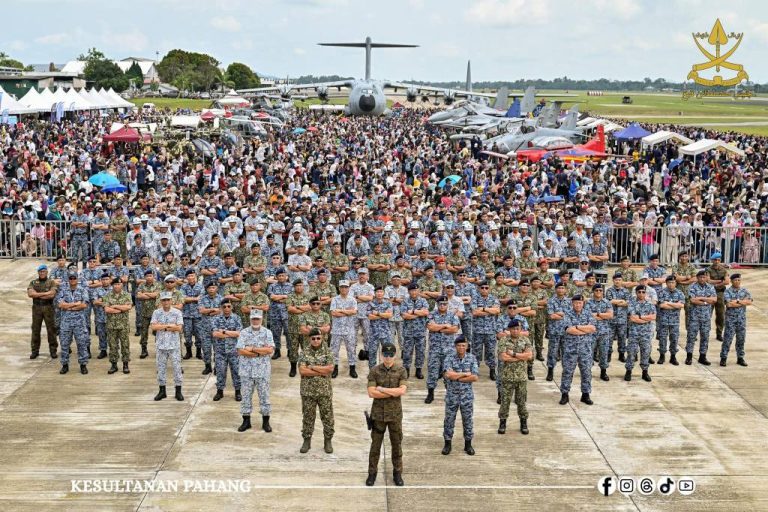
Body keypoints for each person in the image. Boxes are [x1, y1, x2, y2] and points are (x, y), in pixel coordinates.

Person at [366, 342, 408, 487]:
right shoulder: (374, 371)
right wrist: (393, 393)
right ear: (381, 355)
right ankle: (372, 473)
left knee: (397, 446)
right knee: (375, 447)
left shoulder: (401, 370)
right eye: (385, 354)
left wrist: (382, 389)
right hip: (378, 415)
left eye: (391, 354)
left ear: (395, 355)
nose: (388, 357)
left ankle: (397, 473)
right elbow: (371, 393)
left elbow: (402, 391)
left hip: (395, 415)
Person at [236, 309, 275, 433]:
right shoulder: (244, 332)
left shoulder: (267, 332)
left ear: (261, 319)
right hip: (246, 371)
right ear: (250, 319)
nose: (255, 321)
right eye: (253, 318)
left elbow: (270, 350)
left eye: (257, 318)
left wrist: (252, 349)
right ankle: (246, 421)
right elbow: (240, 350)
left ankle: (266, 421)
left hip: (262, 371)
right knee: (246, 397)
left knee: (264, 397)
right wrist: (260, 351)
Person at [441, 335, 479, 456]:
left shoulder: (472, 358)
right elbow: (448, 375)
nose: (461, 348)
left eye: (463, 345)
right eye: (459, 345)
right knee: (449, 420)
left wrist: (456, 376)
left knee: (468, 420)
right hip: (452, 396)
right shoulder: (449, 358)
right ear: (455, 346)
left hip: (466, 396)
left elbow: (474, 377)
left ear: (467, 346)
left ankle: (468, 444)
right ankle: (447, 443)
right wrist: (465, 374)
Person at [298, 328, 335, 453]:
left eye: (318, 338)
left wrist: (312, 367)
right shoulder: (304, 352)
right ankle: (307, 440)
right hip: (308, 392)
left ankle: (328, 440)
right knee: (308, 416)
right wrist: (321, 370)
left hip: (324, 391)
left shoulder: (328, 351)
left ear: (322, 338)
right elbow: (302, 371)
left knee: (327, 416)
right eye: (313, 338)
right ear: (309, 339)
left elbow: (330, 369)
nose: (316, 340)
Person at [497, 319, 533, 435]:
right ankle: (502, 423)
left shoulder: (525, 340)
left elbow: (529, 356)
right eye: (513, 329)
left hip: (521, 378)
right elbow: (503, 357)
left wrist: (513, 354)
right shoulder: (503, 340)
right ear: (509, 329)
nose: (515, 331)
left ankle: (523, 423)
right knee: (505, 402)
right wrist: (521, 357)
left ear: (521, 329)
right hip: (507, 377)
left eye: (518, 329)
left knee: (521, 402)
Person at [559, 295, 596, 405]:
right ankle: (565, 394)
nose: (578, 305)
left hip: (585, 349)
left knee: (586, 372)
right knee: (567, 372)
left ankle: (585, 395)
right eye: (576, 303)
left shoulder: (588, 314)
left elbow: (592, 328)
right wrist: (585, 329)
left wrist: (577, 327)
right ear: (572, 303)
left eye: (580, 303)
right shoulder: (567, 314)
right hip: (571, 350)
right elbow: (569, 330)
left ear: (583, 303)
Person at [425, 296, 460, 404]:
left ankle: (450, 394)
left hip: (449, 350)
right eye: (440, 304)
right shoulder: (431, 314)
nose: (442, 306)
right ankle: (430, 394)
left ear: (447, 305)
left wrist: (438, 328)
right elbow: (431, 327)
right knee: (432, 371)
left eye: (445, 304)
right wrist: (445, 326)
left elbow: (454, 329)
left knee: (448, 372)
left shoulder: (452, 315)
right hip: (434, 349)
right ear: (437, 304)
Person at [150, 292, 185, 401]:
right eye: (164, 300)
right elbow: (153, 327)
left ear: (171, 300)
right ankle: (162, 391)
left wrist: (161, 326)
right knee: (161, 369)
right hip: (161, 345)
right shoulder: (156, 312)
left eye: (168, 300)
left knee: (177, 368)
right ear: (161, 301)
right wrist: (169, 326)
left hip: (174, 345)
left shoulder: (177, 312)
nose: (166, 302)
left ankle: (178, 391)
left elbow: (179, 328)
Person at [58, 272, 91, 375]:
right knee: (64, 344)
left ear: (77, 279)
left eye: (74, 278)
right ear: (68, 279)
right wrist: (75, 304)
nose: (72, 280)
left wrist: (68, 306)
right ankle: (64, 365)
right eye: (70, 278)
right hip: (66, 322)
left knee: (81, 343)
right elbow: (60, 304)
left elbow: (84, 305)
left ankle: (83, 365)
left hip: (79, 322)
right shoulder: (63, 290)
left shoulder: (82, 290)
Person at [212, 298, 243, 401]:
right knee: (220, 372)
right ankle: (219, 391)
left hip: (234, 351)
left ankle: (238, 392)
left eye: (229, 306)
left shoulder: (237, 318)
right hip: (220, 351)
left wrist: (224, 332)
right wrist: (231, 334)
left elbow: (239, 333)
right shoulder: (216, 318)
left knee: (236, 372)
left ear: (232, 307)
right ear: (221, 308)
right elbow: (215, 334)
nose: (226, 308)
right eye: (224, 306)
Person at [471, 280, 501, 380]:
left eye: (486, 288)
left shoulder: (494, 298)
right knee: (476, 352)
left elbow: (497, 311)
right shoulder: (475, 298)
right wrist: (490, 310)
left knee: (491, 351)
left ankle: (492, 371)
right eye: (482, 288)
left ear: (489, 289)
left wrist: (483, 309)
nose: (484, 289)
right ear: (479, 289)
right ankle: (474, 370)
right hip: (478, 330)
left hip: (490, 331)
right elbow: (475, 312)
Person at [686, 270, 717, 365]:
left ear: (706, 278)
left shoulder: (710, 287)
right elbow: (693, 300)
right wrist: (707, 301)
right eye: (700, 277)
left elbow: (714, 300)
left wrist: (701, 298)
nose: (702, 279)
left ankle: (702, 357)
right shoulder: (692, 287)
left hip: (706, 317)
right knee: (691, 337)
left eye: (704, 277)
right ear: (697, 278)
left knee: (705, 337)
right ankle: (689, 357)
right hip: (694, 317)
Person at [102, 278, 133, 375]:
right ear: (112, 285)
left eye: (118, 284)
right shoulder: (107, 295)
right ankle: (114, 365)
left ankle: (125, 364)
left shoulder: (127, 295)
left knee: (125, 345)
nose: (116, 286)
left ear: (122, 285)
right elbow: (107, 309)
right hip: (111, 325)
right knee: (112, 346)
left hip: (123, 325)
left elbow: (128, 307)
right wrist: (121, 309)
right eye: (115, 284)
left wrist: (115, 306)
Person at [27, 264, 58, 359]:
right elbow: (30, 294)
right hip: (37, 308)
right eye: (40, 271)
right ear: (38, 272)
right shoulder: (33, 282)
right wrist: (45, 294)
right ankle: (34, 351)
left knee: (51, 330)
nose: (42, 273)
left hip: (48, 308)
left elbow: (52, 295)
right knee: (35, 330)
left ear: (47, 272)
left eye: (44, 271)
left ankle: (53, 350)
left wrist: (37, 294)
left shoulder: (51, 282)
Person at [399, 283, 430, 378]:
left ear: (418, 291)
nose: (414, 292)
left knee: (420, 352)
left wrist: (413, 312)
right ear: (409, 292)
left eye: (416, 290)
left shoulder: (423, 301)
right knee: (407, 352)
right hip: (408, 332)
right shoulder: (405, 301)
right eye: (412, 290)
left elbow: (426, 312)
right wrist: (418, 313)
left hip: (420, 332)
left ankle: (418, 370)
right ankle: (406, 370)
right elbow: (404, 316)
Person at [626, 285, 656, 382]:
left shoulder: (650, 304)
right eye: (639, 292)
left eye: (643, 292)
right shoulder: (632, 304)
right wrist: (646, 319)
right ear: (636, 293)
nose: (641, 294)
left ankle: (645, 372)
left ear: (645, 293)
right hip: (634, 333)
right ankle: (628, 371)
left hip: (646, 334)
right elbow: (632, 318)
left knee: (646, 353)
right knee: (631, 353)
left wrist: (640, 317)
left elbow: (653, 317)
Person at [329, 280, 359, 379]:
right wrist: (347, 312)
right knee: (334, 350)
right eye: (342, 287)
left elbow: (354, 312)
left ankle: (352, 368)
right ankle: (335, 368)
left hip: (349, 330)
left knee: (351, 349)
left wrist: (341, 311)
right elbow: (333, 313)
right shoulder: (335, 299)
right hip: (336, 330)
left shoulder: (352, 300)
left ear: (349, 288)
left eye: (346, 287)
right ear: (339, 288)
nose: (344, 289)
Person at [721, 274, 752, 367]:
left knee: (741, 339)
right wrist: (742, 302)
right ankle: (723, 358)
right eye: (735, 280)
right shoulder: (727, 291)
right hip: (730, 320)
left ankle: (740, 358)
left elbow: (749, 302)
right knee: (727, 339)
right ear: (731, 281)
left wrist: (737, 301)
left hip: (741, 320)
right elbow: (729, 304)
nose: (737, 282)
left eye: (739, 280)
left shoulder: (744, 290)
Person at [587, 284, 613, 381]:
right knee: (589, 353)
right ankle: (587, 372)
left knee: (604, 352)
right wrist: (603, 315)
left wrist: (597, 314)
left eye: (600, 290)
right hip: (591, 332)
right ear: (593, 291)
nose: (598, 292)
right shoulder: (588, 303)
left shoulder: (607, 302)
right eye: (596, 290)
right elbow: (588, 315)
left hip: (604, 332)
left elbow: (610, 315)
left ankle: (603, 372)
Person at [657, 275, 685, 365]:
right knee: (662, 338)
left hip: (675, 321)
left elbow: (681, 305)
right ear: (666, 283)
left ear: (676, 283)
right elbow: (662, 305)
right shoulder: (661, 292)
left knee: (674, 339)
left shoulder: (680, 293)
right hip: (663, 320)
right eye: (669, 282)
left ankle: (673, 357)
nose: (671, 284)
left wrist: (668, 303)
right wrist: (675, 305)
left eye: (673, 282)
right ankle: (662, 356)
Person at [136, 270, 162, 359]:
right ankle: (144, 350)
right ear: (145, 277)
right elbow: (139, 296)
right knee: (144, 332)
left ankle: (159, 349)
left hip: (156, 313)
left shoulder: (158, 285)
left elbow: (157, 295)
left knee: (158, 332)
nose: (149, 277)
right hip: (144, 313)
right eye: (147, 276)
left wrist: (145, 294)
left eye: (150, 275)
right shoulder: (141, 285)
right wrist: (151, 295)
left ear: (153, 276)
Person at [366, 286, 394, 368]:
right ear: (375, 293)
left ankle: (387, 370)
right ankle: (372, 372)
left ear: (384, 293)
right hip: (373, 333)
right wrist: (383, 314)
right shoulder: (370, 303)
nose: (379, 293)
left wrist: (377, 313)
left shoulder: (388, 303)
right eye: (377, 292)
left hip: (385, 333)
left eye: (381, 292)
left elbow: (389, 315)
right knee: (372, 353)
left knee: (388, 353)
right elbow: (370, 317)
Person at [606, 273, 630, 363]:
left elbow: (628, 302)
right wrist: (621, 301)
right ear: (613, 280)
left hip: (622, 319)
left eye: (619, 280)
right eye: (616, 280)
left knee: (622, 338)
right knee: (609, 338)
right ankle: (608, 355)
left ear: (622, 281)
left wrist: (617, 302)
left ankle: (621, 355)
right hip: (611, 319)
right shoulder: (609, 290)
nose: (618, 281)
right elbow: (609, 301)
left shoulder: (626, 291)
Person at [706, 252, 730, 341]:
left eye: (718, 260)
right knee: (707, 314)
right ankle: (705, 333)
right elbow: (708, 281)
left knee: (721, 315)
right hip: (710, 294)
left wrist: (716, 283)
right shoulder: (708, 269)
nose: (717, 261)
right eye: (715, 260)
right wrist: (720, 281)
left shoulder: (724, 270)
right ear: (712, 260)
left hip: (720, 293)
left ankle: (719, 334)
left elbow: (727, 281)